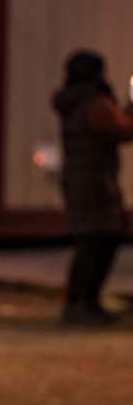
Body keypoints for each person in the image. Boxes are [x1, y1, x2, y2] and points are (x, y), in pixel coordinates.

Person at [52, 50, 133, 325]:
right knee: (98, 242)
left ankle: (83, 302)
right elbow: (122, 129)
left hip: (82, 181)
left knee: (92, 242)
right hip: (94, 183)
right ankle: (82, 303)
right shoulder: (94, 102)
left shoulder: (76, 100)